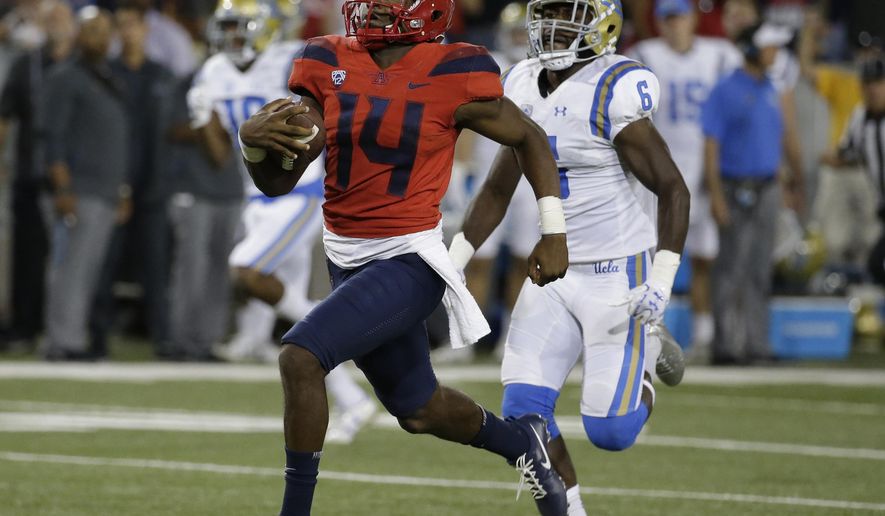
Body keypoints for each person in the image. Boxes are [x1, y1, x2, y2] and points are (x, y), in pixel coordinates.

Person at [237, 0, 571, 512]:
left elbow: (529, 137)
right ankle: (524, 444)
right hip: (345, 259)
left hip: (408, 259)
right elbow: (278, 182)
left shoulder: (456, 70)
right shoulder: (326, 61)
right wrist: (255, 148)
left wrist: (553, 229)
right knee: (419, 408)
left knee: (300, 358)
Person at [451, 0, 689, 514]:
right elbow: (496, 187)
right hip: (551, 273)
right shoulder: (519, 82)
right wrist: (455, 260)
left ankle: (647, 351)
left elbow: (673, 188)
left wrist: (663, 281)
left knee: (612, 432)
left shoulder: (614, 87)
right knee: (523, 418)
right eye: (548, 12)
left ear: (602, 21)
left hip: (617, 274)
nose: (551, 26)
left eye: (567, 13)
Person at [190, 0, 375, 444]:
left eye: (241, 29)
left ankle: (351, 343)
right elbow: (219, 156)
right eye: (227, 29)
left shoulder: (289, 61)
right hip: (255, 196)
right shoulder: (211, 72)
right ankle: (354, 399)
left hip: (299, 189)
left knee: (247, 273)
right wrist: (204, 119)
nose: (233, 38)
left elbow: (316, 125)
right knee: (288, 311)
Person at [627, 0, 741, 362]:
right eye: (668, 19)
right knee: (647, 255)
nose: (675, 26)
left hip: (704, 171)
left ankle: (705, 333)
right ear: (659, 24)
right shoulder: (644, 54)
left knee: (704, 259)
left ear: (693, 19)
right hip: (655, 170)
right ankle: (641, 333)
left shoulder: (720, 55)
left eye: (680, 18)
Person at [702, 22, 804, 365]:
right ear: (749, 49)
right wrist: (715, 194)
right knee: (731, 269)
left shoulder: (770, 89)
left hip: (768, 187)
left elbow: (773, 137)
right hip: (734, 188)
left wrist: (788, 179)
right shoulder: (725, 90)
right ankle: (727, 345)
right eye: (769, 47)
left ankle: (757, 344)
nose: (775, 53)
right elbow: (711, 145)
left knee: (760, 269)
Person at [41, 6, 131, 361]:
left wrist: (123, 191)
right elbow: (53, 139)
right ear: (79, 35)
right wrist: (63, 189)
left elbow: (117, 140)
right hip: (78, 191)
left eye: (107, 32)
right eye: (94, 31)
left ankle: (72, 337)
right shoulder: (65, 77)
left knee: (87, 271)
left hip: (105, 191)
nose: (102, 38)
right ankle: (62, 342)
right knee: (69, 269)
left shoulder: (108, 78)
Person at [90, 0, 176, 358]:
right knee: (104, 264)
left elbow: (170, 134)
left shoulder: (162, 76)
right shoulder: (105, 73)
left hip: (154, 188)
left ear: (145, 29)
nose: (128, 32)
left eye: (133, 25)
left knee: (157, 267)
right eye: (122, 25)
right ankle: (96, 340)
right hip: (112, 184)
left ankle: (164, 341)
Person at [0, 0, 75, 352]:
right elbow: (4, 115)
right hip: (31, 174)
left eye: (63, 17)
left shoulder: (85, 66)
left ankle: (64, 329)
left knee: (70, 261)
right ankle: (25, 328)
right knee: (28, 259)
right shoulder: (26, 64)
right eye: (51, 18)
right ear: (42, 25)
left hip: (77, 179)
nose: (58, 24)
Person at [824, 55, 885, 285]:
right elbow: (848, 151)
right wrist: (831, 158)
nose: (873, 89)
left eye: (878, 82)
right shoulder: (860, 117)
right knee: (876, 265)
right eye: (868, 83)